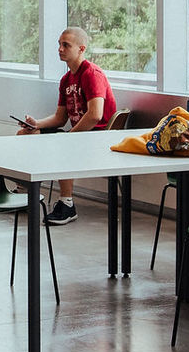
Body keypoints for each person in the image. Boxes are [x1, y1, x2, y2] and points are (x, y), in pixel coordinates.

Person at [16, 26, 116, 225]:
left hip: (99, 137)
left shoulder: (91, 74)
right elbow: (59, 118)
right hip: (79, 134)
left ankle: (67, 204)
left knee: (62, 144)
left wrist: (69, 136)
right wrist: (36, 123)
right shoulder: (66, 79)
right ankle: (25, 193)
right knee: (25, 134)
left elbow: (95, 115)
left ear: (81, 49)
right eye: (59, 45)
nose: (60, 49)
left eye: (66, 45)